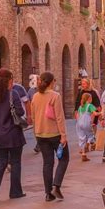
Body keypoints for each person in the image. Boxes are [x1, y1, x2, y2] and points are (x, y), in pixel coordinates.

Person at [0, 68, 26, 203]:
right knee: (15, 162)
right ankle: (15, 192)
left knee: (1, 162)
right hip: (13, 134)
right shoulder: (12, 94)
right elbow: (19, 112)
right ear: (9, 80)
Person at [31, 72, 69, 201]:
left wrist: (36, 133)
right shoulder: (55, 96)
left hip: (41, 134)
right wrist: (63, 135)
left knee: (47, 163)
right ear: (51, 82)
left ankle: (48, 194)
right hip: (55, 134)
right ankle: (56, 186)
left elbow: (34, 117)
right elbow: (59, 117)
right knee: (64, 159)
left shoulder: (35, 96)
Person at [74, 77, 101, 147]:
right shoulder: (81, 92)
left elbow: (97, 103)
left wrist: (100, 115)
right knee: (83, 127)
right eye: (82, 84)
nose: (82, 85)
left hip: (92, 112)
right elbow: (77, 102)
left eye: (84, 84)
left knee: (93, 126)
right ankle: (86, 142)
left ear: (88, 84)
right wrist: (76, 111)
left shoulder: (93, 92)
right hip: (83, 112)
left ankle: (92, 141)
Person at [76, 93, 101, 162]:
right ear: (89, 99)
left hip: (79, 123)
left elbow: (77, 115)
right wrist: (101, 112)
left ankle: (83, 154)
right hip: (86, 123)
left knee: (82, 138)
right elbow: (95, 114)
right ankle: (90, 143)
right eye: (91, 99)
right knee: (91, 135)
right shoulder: (90, 105)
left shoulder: (80, 106)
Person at [27, 79, 40, 153]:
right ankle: (39, 143)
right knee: (35, 130)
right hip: (34, 113)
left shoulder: (44, 90)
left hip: (42, 113)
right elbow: (28, 101)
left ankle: (39, 145)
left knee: (40, 129)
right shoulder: (31, 90)